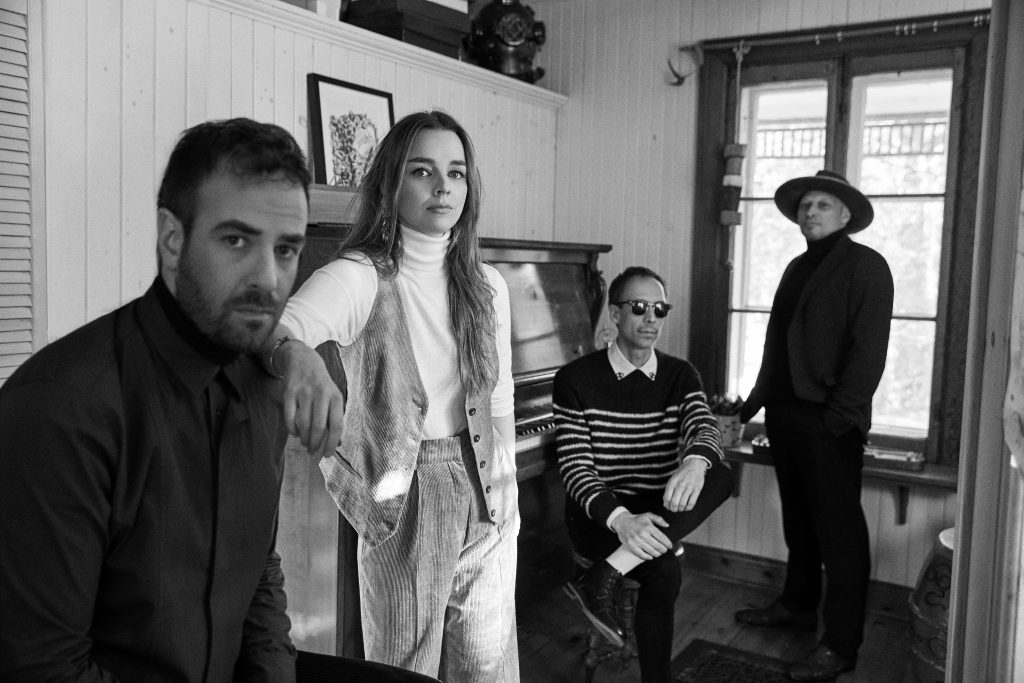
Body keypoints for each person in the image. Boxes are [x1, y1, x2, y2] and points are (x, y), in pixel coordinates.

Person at [0, 118, 309, 680]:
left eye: (286, 249)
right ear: (172, 239)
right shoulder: (60, 408)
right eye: (236, 241)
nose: (268, 279)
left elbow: (257, 572)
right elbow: (44, 667)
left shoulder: (266, 384)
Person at [264, 110, 519, 681]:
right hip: (407, 492)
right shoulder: (358, 275)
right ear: (392, 183)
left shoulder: (489, 284)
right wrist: (300, 359)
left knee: (489, 665)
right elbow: (277, 332)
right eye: (422, 171)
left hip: (489, 480)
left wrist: (506, 488)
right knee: (405, 669)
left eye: (456, 172)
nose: (442, 186)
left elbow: (498, 396)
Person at [734, 170, 894, 681]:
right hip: (785, 415)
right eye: (806, 204)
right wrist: (751, 406)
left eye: (822, 205)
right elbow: (775, 346)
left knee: (840, 538)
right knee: (799, 523)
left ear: (845, 215)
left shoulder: (867, 266)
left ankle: (840, 646)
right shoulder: (796, 266)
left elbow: (869, 353)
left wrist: (837, 418)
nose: (810, 212)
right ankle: (798, 606)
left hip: (830, 423)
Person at [554, 266, 734, 683]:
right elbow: (576, 469)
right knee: (664, 571)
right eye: (638, 307)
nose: (651, 318)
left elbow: (705, 428)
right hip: (600, 514)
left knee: (720, 474)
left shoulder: (680, 374)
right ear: (615, 314)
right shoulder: (575, 378)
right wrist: (621, 520)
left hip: (656, 508)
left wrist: (694, 461)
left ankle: (604, 573)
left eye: (659, 309)